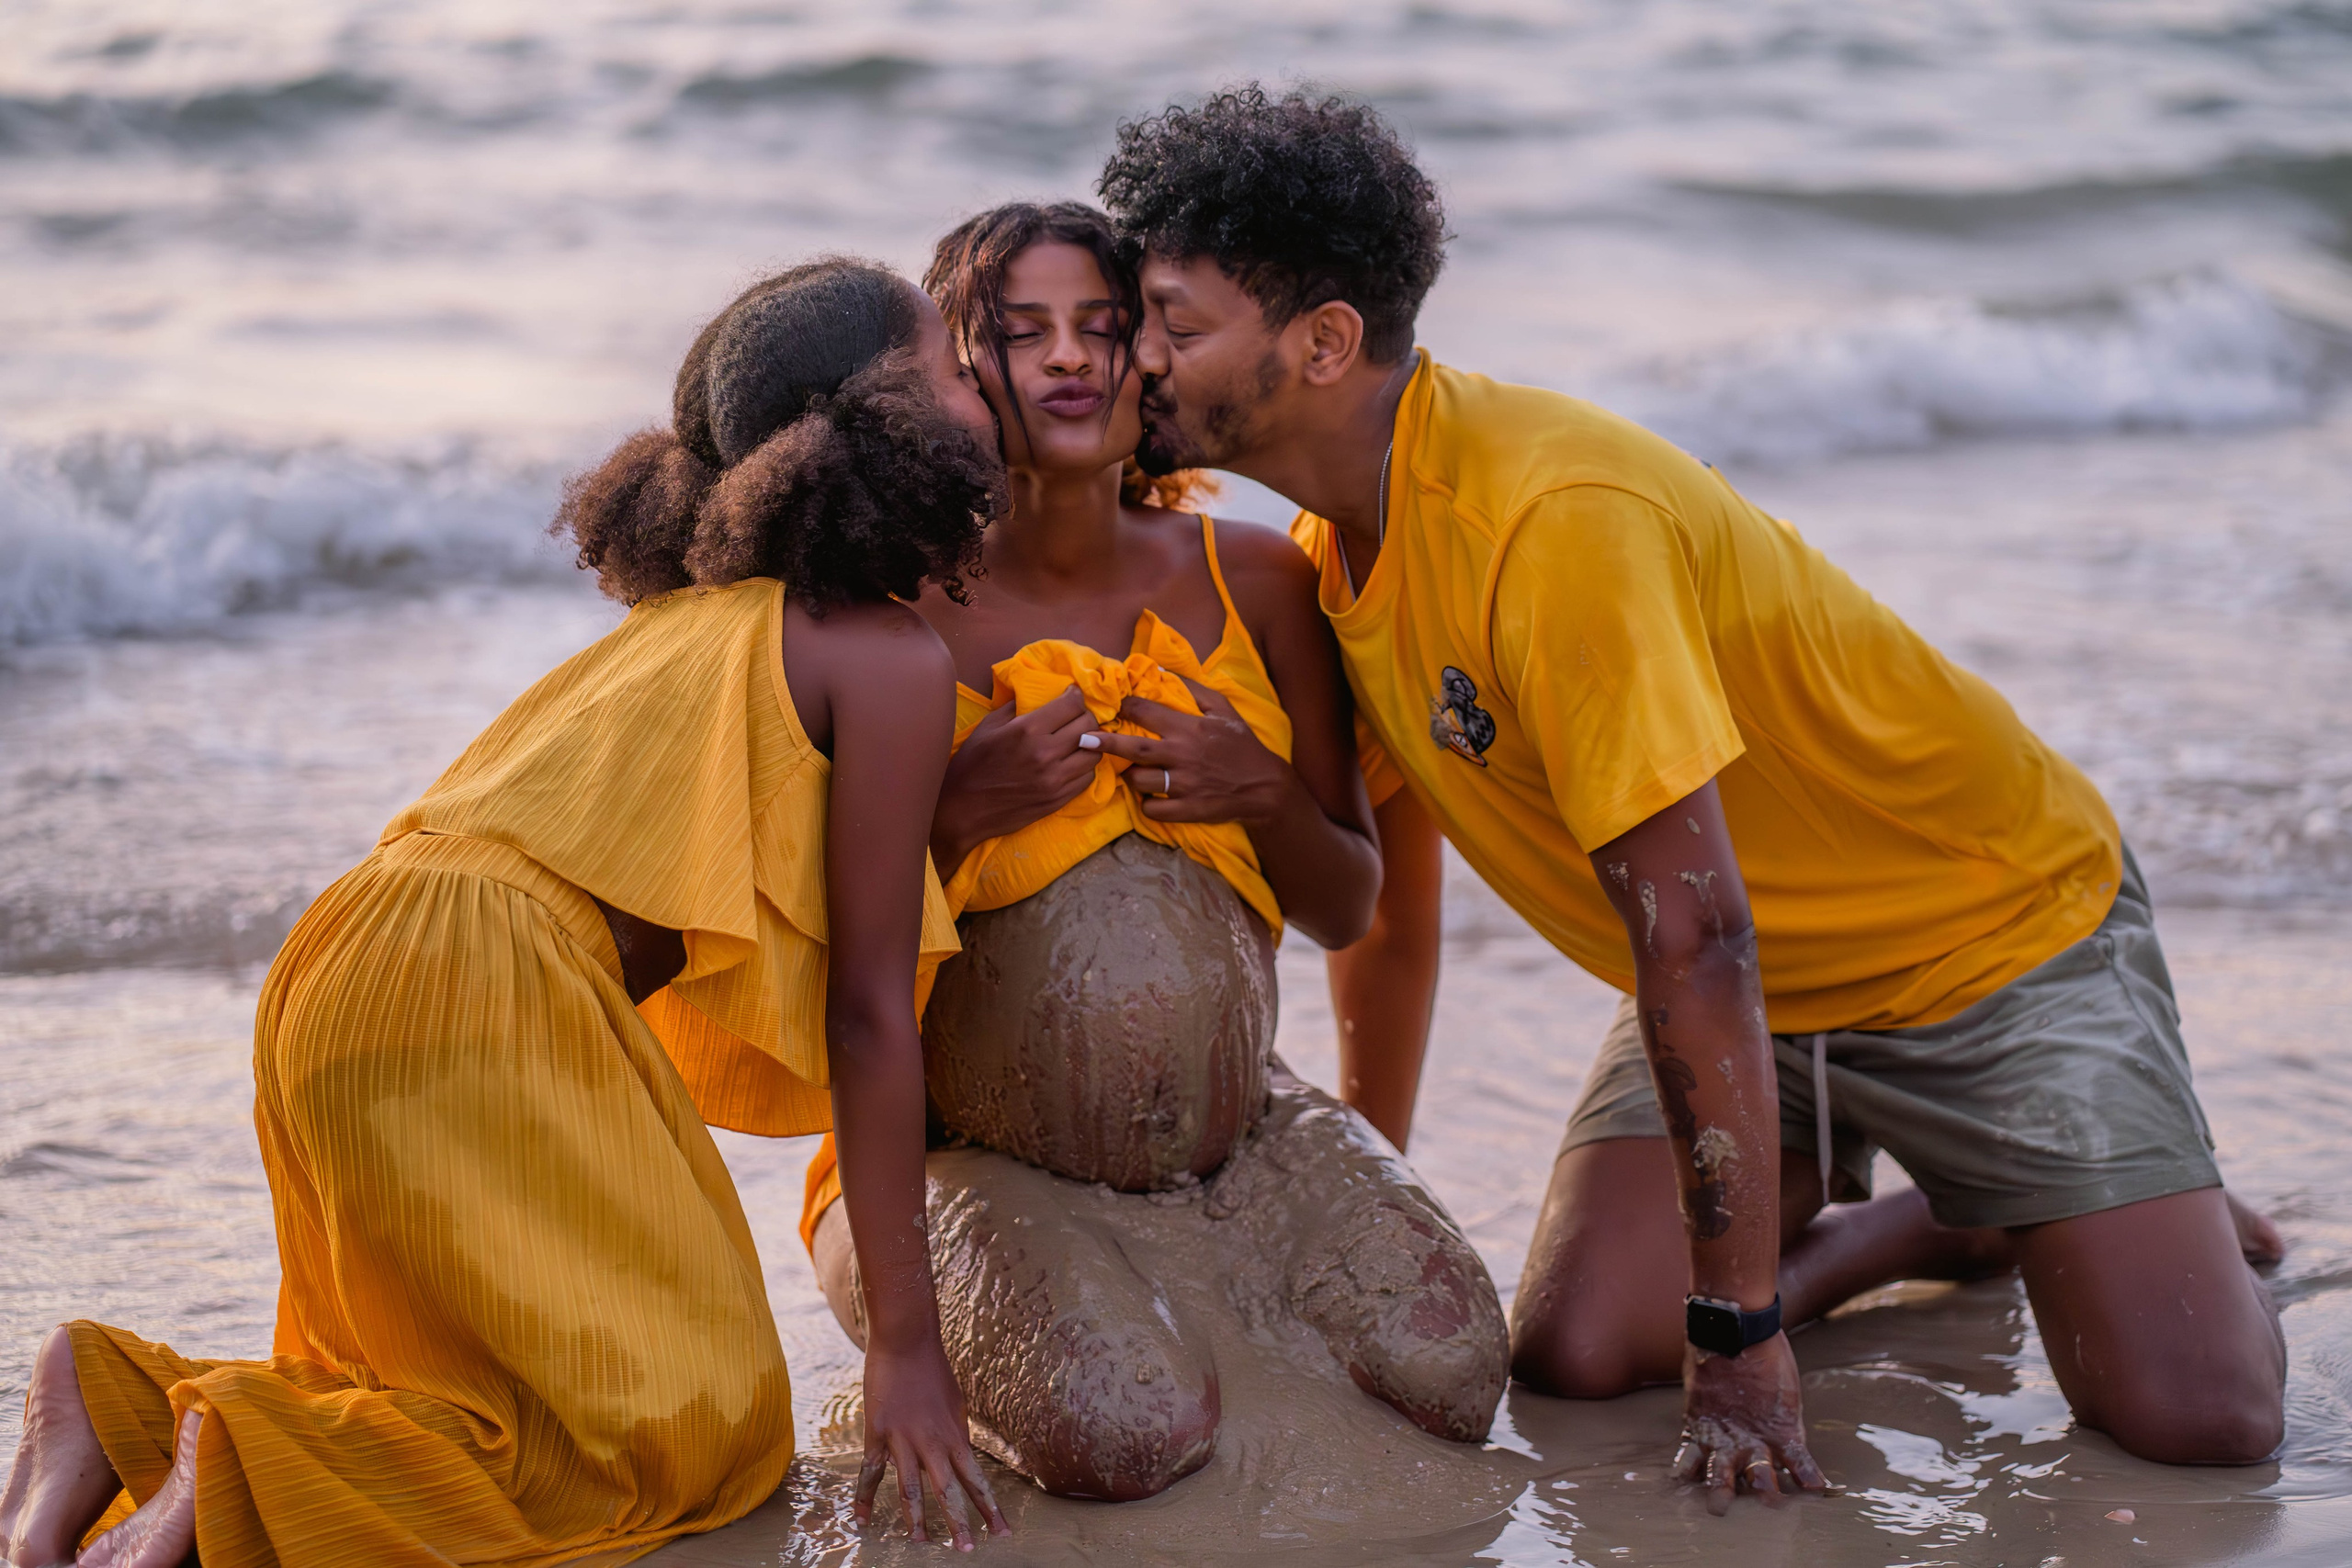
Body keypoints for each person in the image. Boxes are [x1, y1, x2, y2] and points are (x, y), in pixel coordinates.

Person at [1095, 85, 2289, 1512]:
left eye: (1173, 321)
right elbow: (1389, 911)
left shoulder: (1550, 522)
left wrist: (1737, 1339)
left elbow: (1694, 936)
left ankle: (2096, 1208)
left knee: (2200, 1422)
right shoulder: (1331, 545)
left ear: (1324, 342)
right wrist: (1381, 1195)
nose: (1133, 358)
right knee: (1582, 1354)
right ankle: (1948, 1221)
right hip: (1743, 980)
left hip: (1985, 935)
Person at [0, 259, 1012, 1565]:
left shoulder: (683, 628)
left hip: (346, 946)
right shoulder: (880, 655)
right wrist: (909, 1355)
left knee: (464, 1400)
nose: (978, 386)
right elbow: (870, 1015)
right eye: (948, 368)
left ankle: (116, 1395)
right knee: (691, 1444)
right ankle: (241, 1458)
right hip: (489, 976)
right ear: (880, 424)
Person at [794, 201, 1511, 1502]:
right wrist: (960, 814)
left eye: (1105, 328)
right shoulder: (894, 619)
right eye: (1022, 335)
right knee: (1124, 1431)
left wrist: (1266, 795)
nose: (1070, 358)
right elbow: (825, 969)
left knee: (1454, 1365)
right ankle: (1021, 1320)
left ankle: (1191, 1280)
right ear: (956, 379)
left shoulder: (1259, 581)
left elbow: (1349, 904)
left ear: (1153, 364)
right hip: (959, 1158)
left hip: (1241, 1136)